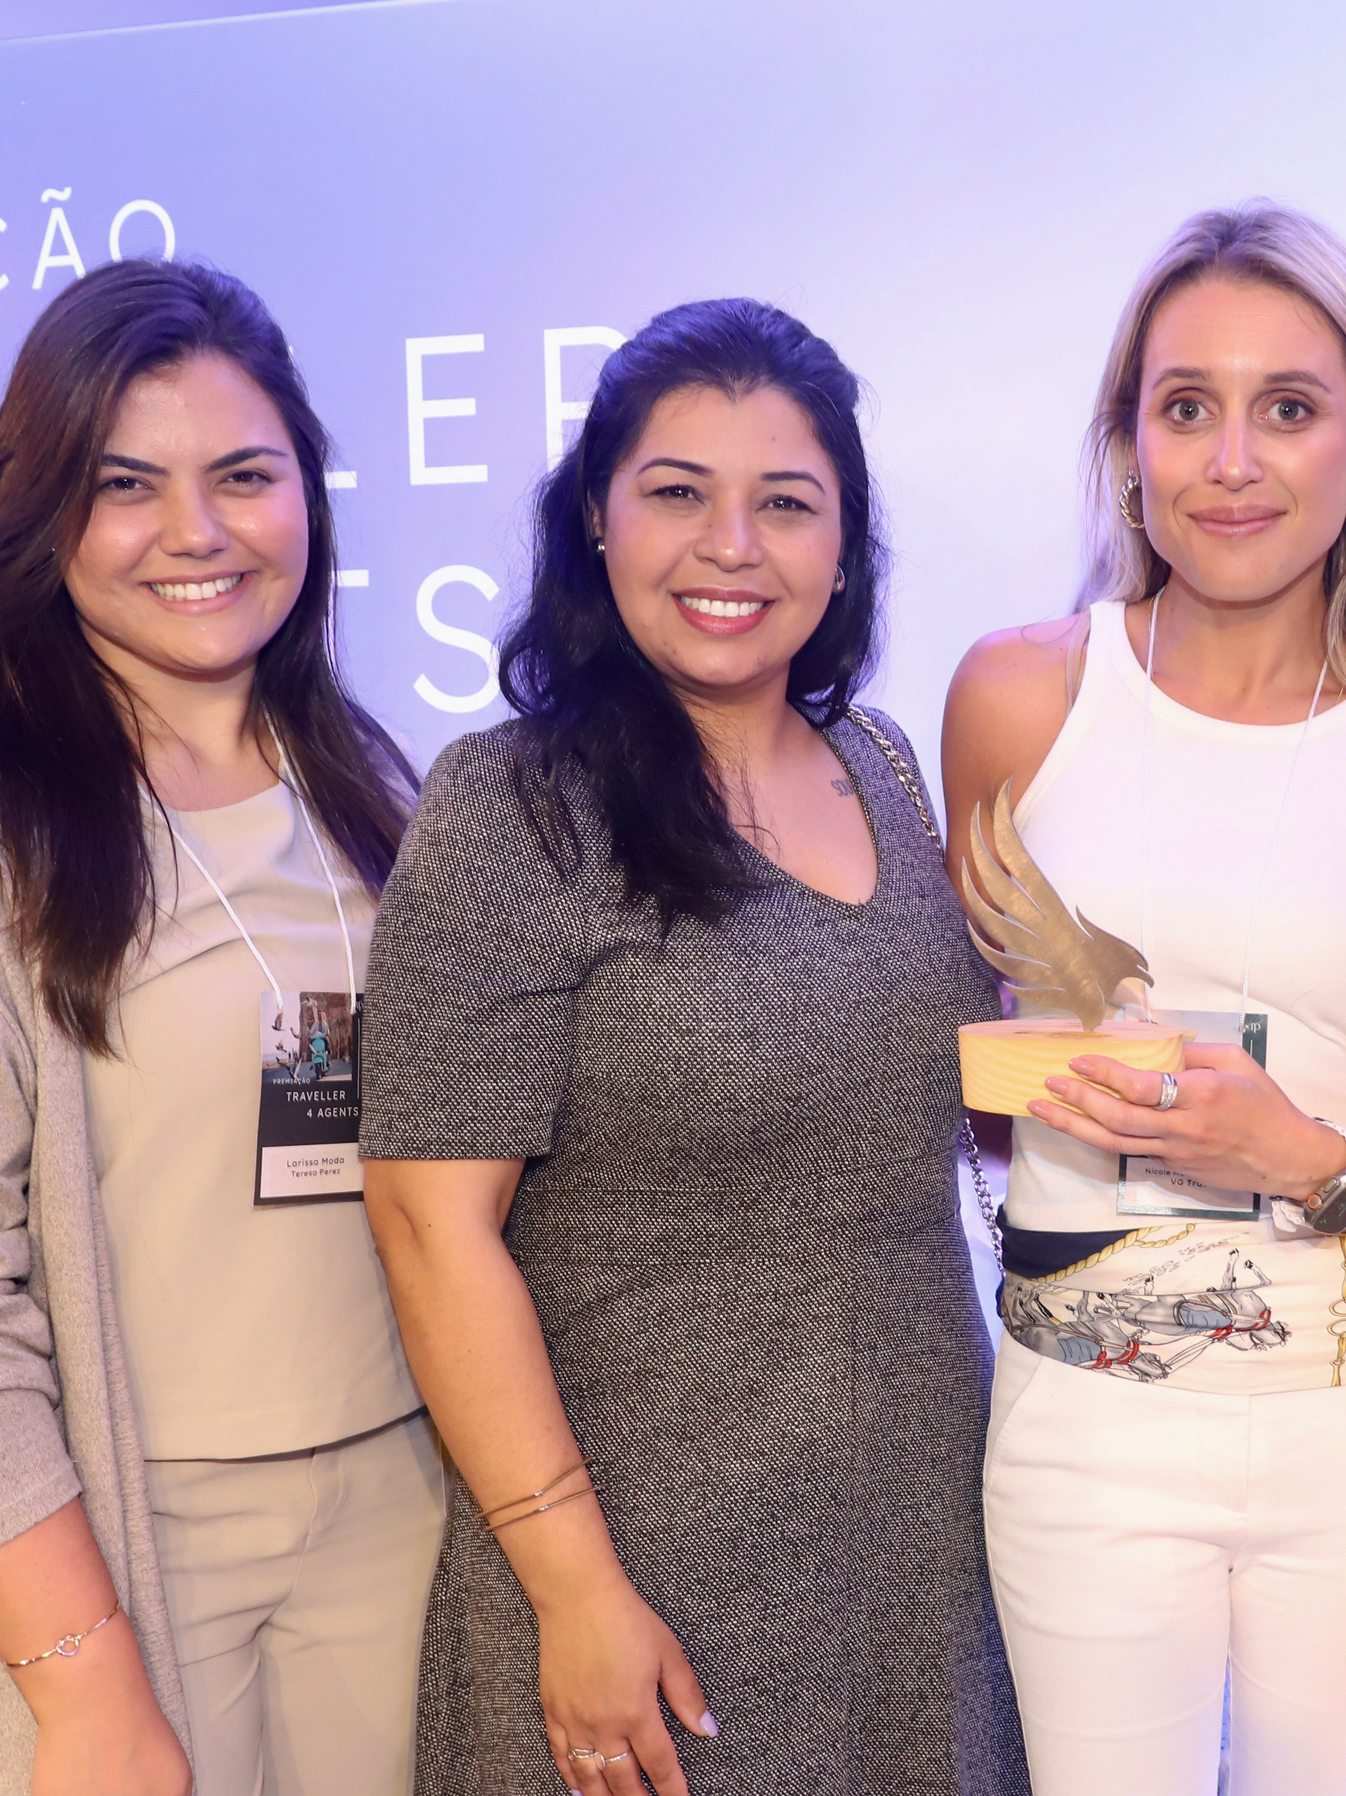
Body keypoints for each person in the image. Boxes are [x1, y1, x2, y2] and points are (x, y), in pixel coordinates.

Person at [0, 259, 437, 1795]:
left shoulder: (373, 790)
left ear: (307, 496)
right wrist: (83, 1685)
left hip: (399, 1520)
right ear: (42, 512)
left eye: (244, 476)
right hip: (115, 1554)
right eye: (125, 484)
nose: (197, 531)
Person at [356, 298, 1028, 1796]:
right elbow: (427, 1227)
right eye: (677, 493)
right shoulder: (512, 810)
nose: (732, 547)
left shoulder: (881, 762)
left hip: (921, 1556)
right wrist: (574, 1589)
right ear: (596, 518)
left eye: (785, 504)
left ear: (844, 550)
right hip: (642, 1576)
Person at [940, 203, 1346, 1796]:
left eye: (1290, 408)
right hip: (1088, 1416)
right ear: (1129, 447)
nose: (1234, 462)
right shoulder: (1018, 696)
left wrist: (1299, 1155)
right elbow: (964, 1063)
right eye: (1187, 406)